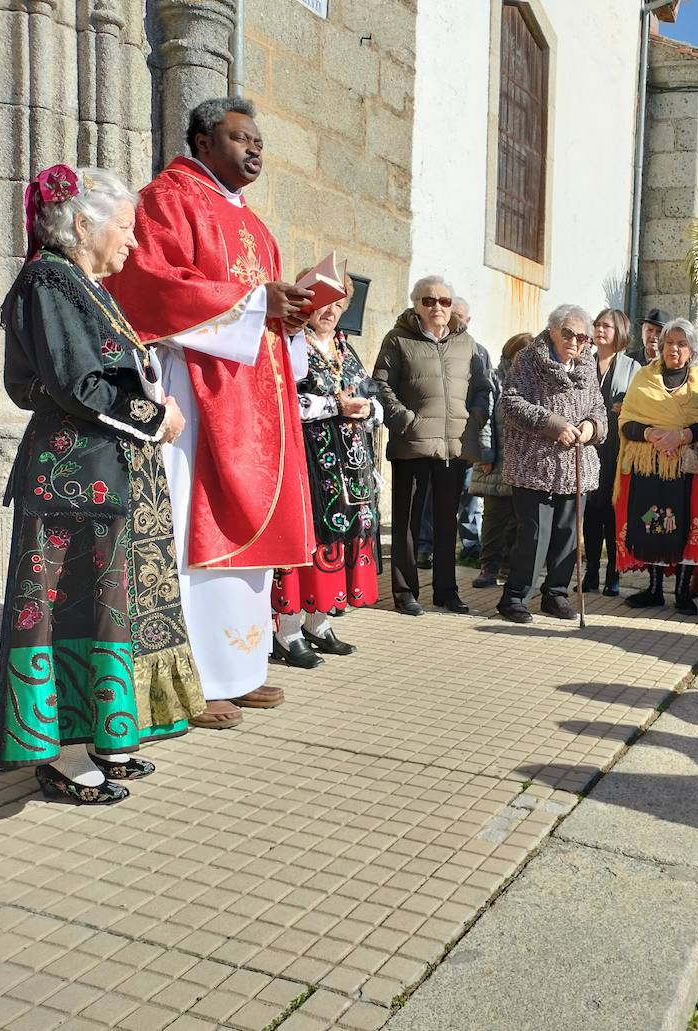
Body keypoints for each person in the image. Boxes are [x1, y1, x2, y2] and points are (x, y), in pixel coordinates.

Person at [0, 164, 202, 803]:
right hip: (71, 482)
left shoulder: (80, 284)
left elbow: (53, 379)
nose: (133, 244)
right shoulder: (48, 281)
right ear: (83, 225)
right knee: (65, 611)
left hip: (94, 476)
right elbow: (75, 383)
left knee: (99, 608)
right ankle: (60, 754)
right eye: (126, 229)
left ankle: (102, 733)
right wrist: (154, 414)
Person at [106, 96, 315, 730]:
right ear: (201, 140)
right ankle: (191, 680)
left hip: (255, 398)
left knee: (248, 532)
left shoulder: (253, 223)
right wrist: (257, 302)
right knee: (196, 535)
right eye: (239, 138)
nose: (254, 150)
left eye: (259, 142)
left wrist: (290, 315)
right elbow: (146, 284)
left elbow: (263, 307)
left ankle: (241, 670)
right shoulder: (168, 199)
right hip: (197, 396)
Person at [270, 269, 383, 668]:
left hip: (350, 468)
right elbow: (284, 401)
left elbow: (370, 395)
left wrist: (370, 409)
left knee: (343, 542)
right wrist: (336, 406)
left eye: (339, 304)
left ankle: (319, 623)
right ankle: (288, 631)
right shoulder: (290, 345)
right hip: (309, 466)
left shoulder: (344, 349)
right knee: (308, 542)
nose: (331, 311)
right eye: (323, 303)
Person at [372, 275, 491, 616]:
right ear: (416, 305)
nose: (437, 307)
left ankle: (446, 591)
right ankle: (405, 591)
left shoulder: (466, 343)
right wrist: (405, 421)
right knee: (408, 524)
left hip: (454, 447)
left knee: (446, 523)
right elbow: (380, 385)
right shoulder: (397, 340)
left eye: (443, 301)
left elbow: (483, 386)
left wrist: (476, 416)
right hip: (411, 446)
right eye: (428, 300)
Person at [495, 306, 607, 624]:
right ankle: (514, 598)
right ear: (553, 330)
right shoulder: (529, 360)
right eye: (568, 333)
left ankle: (555, 595)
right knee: (534, 535)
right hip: (535, 465)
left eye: (582, 336)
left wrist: (592, 427)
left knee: (568, 535)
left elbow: (599, 409)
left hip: (576, 466)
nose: (574, 341)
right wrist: (553, 423)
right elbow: (511, 402)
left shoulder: (587, 366)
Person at [614, 318, 698, 615]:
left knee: (686, 527)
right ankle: (654, 589)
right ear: (660, 347)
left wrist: (682, 435)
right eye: (669, 343)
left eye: (682, 344)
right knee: (653, 522)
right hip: (649, 465)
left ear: (691, 350)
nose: (674, 348)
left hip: (686, 468)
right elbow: (627, 422)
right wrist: (651, 434)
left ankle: (683, 593)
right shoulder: (643, 378)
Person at [584, 308, 641, 595]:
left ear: (619, 331)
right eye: (597, 324)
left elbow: (643, 406)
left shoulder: (633, 368)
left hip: (618, 450)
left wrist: (627, 406)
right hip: (589, 448)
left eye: (606, 325)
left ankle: (613, 574)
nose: (599, 329)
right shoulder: (584, 362)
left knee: (613, 512)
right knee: (591, 512)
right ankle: (591, 572)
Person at [471, 333, 531, 589]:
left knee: (519, 521)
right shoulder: (495, 379)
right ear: (510, 353)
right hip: (497, 460)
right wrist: (485, 455)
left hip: (524, 464)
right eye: (521, 353)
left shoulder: (534, 381)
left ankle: (509, 567)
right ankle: (489, 568)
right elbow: (484, 420)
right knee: (494, 518)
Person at [454, 296, 487, 562]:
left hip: (468, 435)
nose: (457, 321)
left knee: (470, 495)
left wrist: (478, 417)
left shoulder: (480, 351)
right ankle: (425, 547)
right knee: (432, 496)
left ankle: (471, 546)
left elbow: (485, 391)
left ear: (469, 320)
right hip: (440, 436)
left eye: (461, 317)